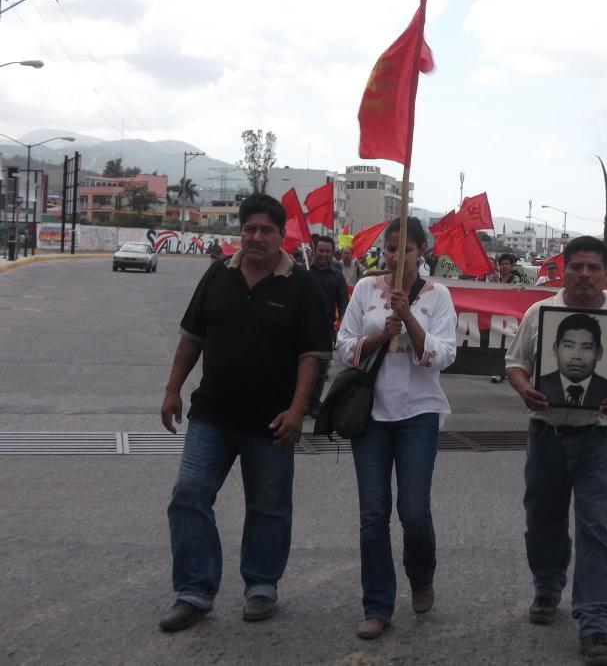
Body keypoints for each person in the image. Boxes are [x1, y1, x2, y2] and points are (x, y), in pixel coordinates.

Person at [158, 193, 333, 632]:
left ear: (280, 236)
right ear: (241, 232)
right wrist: (172, 389)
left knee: (269, 507)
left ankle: (261, 586)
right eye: (249, 229)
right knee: (188, 495)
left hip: (272, 422)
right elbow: (191, 337)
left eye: (266, 231)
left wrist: (297, 411)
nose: (256, 237)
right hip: (212, 416)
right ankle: (194, 592)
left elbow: (312, 356)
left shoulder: (302, 285)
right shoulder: (218, 274)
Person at [504, 236, 607, 666]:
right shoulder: (539, 314)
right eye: (577, 266)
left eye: (593, 267)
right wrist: (525, 388)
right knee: (542, 523)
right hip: (546, 435)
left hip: (598, 440)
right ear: (563, 269)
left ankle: (596, 622)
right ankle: (548, 587)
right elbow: (515, 363)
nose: (584, 274)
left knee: (594, 529)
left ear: (606, 273)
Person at [336, 216, 458, 640]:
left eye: (404, 248)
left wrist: (409, 318)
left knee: (413, 511)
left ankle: (421, 575)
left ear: (421, 251)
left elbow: (445, 354)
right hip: (371, 415)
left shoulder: (438, 296)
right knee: (373, 516)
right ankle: (377, 605)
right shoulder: (366, 290)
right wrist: (374, 339)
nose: (395, 256)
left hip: (418, 414)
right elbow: (344, 346)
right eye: (390, 248)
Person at [307, 236, 350, 418]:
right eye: (321, 250)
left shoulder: (337, 277)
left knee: (320, 371)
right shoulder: (304, 273)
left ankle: (314, 404)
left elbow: (343, 304)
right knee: (299, 368)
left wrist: (344, 327)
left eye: (327, 251)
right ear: (315, 251)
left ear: (332, 254)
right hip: (302, 328)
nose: (323, 254)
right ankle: (300, 403)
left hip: (325, 330)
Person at [536, 313, 607, 408]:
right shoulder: (539, 387)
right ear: (555, 348)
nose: (576, 356)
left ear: (599, 352)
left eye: (586, 347)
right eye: (568, 346)